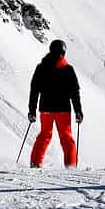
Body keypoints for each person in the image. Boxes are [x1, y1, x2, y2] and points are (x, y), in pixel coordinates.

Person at [28, 39, 83, 168]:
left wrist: (32, 110)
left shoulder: (41, 68)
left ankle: (35, 164)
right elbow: (74, 92)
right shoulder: (68, 69)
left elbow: (34, 90)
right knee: (66, 138)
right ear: (63, 52)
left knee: (44, 135)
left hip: (45, 108)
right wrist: (78, 111)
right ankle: (71, 166)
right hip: (63, 109)